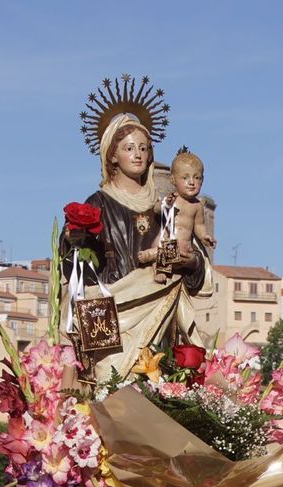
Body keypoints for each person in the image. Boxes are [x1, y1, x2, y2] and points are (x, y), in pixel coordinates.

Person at [65, 111, 215, 381]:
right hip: (114, 313)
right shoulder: (97, 203)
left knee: (155, 390)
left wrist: (190, 262)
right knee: (111, 389)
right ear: (112, 155)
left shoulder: (167, 204)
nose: (138, 155)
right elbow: (77, 270)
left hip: (160, 311)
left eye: (144, 149)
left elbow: (194, 263)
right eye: (129, 148)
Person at [156, 149, 214, 284]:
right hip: (170, 240)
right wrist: (166, 204)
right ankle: (161, 270)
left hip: (186, 245)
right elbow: (157, 210)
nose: (192, 182)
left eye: (197, 177)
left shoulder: (197, 205)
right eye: (185, 177)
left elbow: (199, 225)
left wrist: (204, 236)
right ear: (173, 180)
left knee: (185, 256)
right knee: (165, 248)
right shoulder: (172, 199)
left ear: (203, 180)